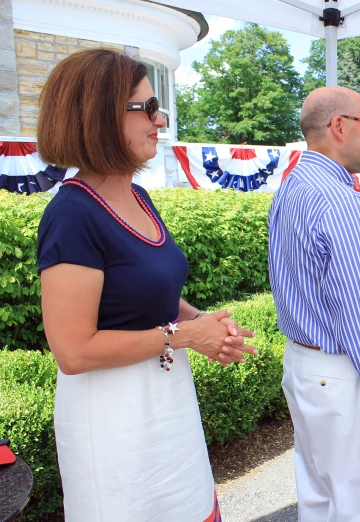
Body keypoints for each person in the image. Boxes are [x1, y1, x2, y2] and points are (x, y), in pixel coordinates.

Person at [36, 49, 257, 521]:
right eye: (148, 108)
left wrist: (201, 323)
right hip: (115, 425)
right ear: (98, 115)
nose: (160, 120)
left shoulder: (137, 196)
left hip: (166, 406)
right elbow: (73, 352)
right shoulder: (73, 213)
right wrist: (185, 336)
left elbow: (144, 292)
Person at [268, 86, 360, 522]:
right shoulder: (342, 204)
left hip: (306, 368)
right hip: (344, 376)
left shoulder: (291, 187)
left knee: (319, 500)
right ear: (339, 126)